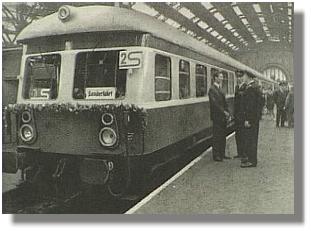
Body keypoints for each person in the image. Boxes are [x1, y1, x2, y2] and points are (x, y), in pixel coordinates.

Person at [240, 71, 264, 168]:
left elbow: (250, 107)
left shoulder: (251, 89)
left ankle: (251, 161)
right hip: (254, 119)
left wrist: (247, 119)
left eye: (244, 76)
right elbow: (261, 102)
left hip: (251, 119)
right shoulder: (255, 87)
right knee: (252, 138)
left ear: (248, 77)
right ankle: (251, 158)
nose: (243, 78)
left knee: (251, 139)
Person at [208, 72, 231, 162]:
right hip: (217, 116)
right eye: (220, 77)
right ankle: (216, 155)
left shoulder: (220, 89)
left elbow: (225, 103)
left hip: (222, 116)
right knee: (217, 136)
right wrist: (224, 112)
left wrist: (228, 112)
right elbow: (215, 104)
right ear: (215, 78)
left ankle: (222, 153)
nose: (222, 78)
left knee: (222, 135)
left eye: (222, 77)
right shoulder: (212, 90)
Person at [233, 71, 247, 162]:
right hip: (237, 115)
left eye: (240, 77)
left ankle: (244, 153)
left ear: (243, 77)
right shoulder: (237, 87)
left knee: (243, 135)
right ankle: (239, 153)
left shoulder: (246, 87)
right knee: (238, 134)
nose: (238, 79)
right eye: (237, 77)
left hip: (243, 115)